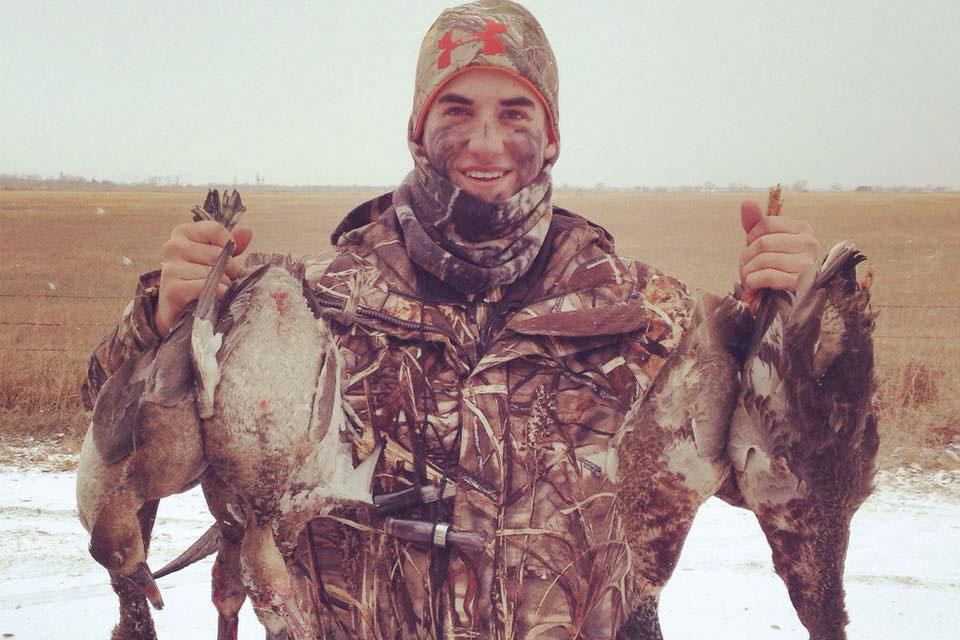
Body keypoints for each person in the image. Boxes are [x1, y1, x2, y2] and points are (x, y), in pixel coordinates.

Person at [82, 1, 819, 637]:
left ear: (553, 134)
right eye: (457, 110)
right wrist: (161, 319)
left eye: (515, 112)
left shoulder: (650, 320)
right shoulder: (304, 307)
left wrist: (797, 331)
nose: (486, 142)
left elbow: (785, 477)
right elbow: (118, 431)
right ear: (417, 127)